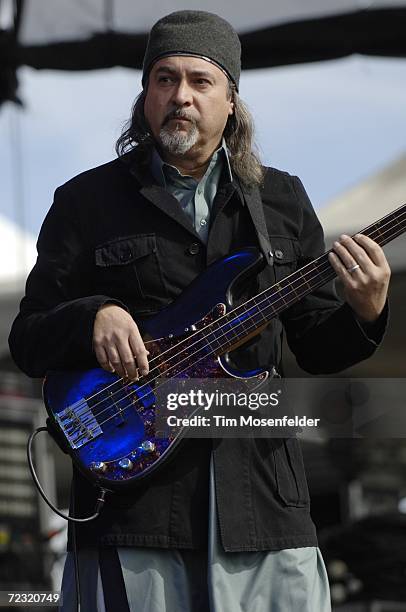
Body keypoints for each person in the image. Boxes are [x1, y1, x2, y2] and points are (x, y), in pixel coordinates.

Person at [9, 10, 391, 612]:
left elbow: (319, 348)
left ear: (231, 101)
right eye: (163, 79)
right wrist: (93, 315)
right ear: (145, 97)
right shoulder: (86, 201)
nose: (179, 96)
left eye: (199, 81)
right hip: (137, 514)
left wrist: (366, 310)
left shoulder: (282, 198)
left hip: (263, 509)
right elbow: (28, 339)